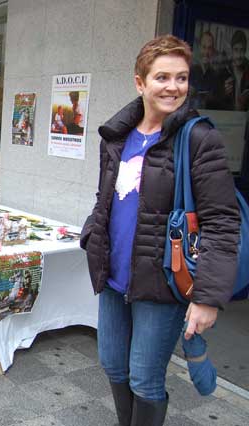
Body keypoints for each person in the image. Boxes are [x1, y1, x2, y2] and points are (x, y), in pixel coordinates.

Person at [80, 35, 240, 426]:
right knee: (113, 366)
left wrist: (207, 299)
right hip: (114, 278)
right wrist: (91, 236)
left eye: (182, 78)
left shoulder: (199, 138)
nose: (173, 87)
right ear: (140, 82)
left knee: (145, 380)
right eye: (162, 77)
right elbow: (106, 198)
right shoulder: (118, 136)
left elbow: (222, 221)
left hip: (162, 283)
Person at [189, 31, 228, 110]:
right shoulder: (189, 72)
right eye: (204, 47)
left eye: (209, 48)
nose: (206, 52)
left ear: (213, 51)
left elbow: (219, 104)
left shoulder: (216, 76)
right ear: (199, 48)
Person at [223, 30, 249, 111]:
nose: (239, 55)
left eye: (242, 50)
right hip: (227, 117)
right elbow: (214, 102)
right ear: (231, 50)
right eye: (236, 50)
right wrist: (224, 94)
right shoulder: (224, 71)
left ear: (245, 51)